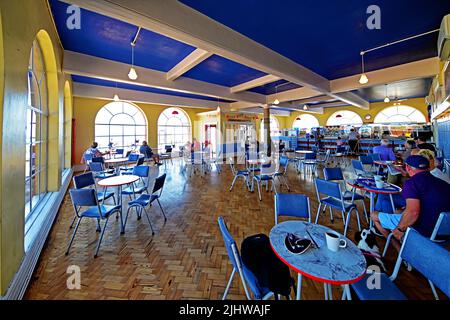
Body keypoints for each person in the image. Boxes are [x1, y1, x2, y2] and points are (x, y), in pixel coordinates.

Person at [371, 155, 450, 251]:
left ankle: (401, 251)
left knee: (374, 215)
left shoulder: (412, 183)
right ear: (428, 167)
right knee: (398, 211)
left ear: (408, 168)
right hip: (445, 235)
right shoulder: (443, 183)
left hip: (423, 231)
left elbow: (413, 213)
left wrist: (399, 229)